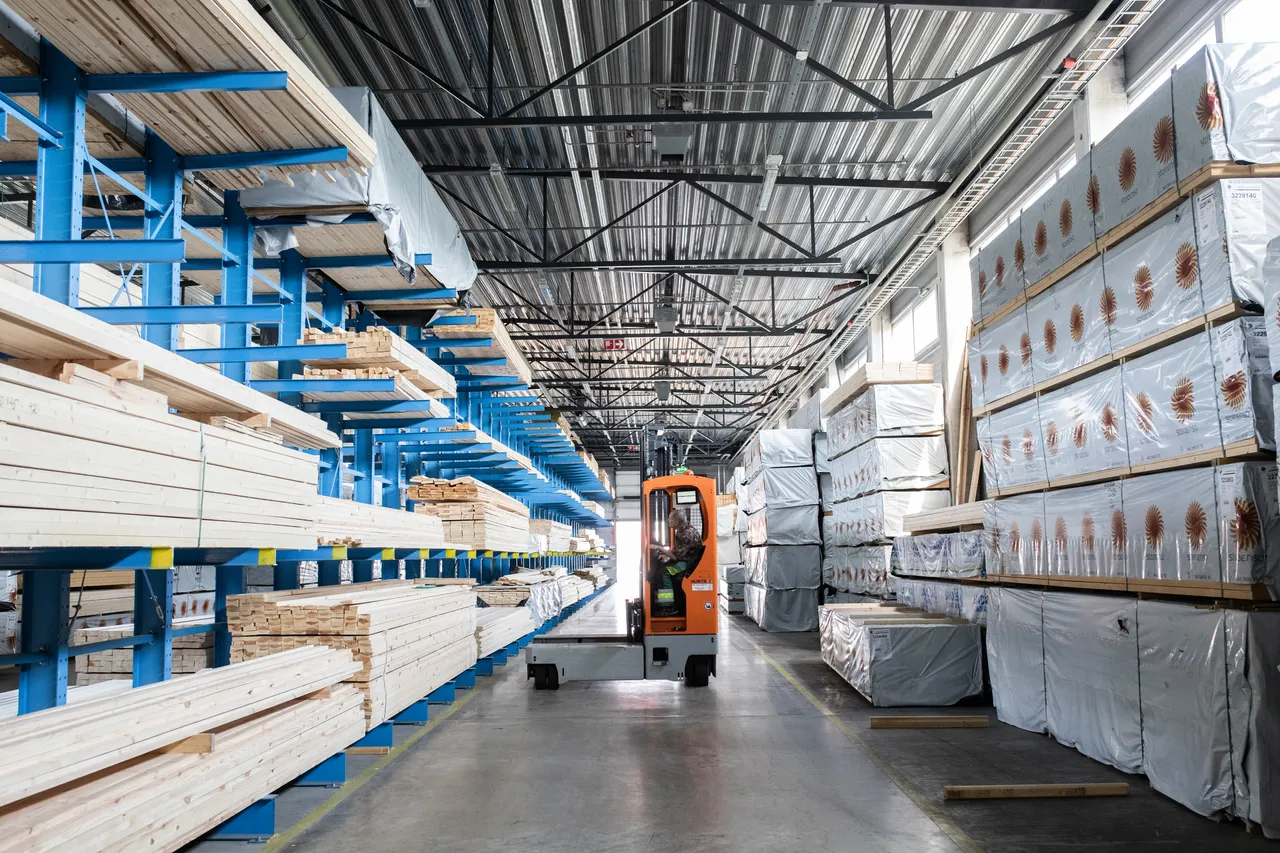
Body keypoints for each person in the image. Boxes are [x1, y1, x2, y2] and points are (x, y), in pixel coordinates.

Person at [650, 509, 704, 616]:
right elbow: (676, 552)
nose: (668, 521)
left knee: (664, 573)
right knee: (661, 566)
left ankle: (668, 607)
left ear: (676, 522)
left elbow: (676, 556)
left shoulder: (688, 534)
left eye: (670, 519)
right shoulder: (681, 531)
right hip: (683, 560)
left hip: (687, 563)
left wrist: (659, 548)